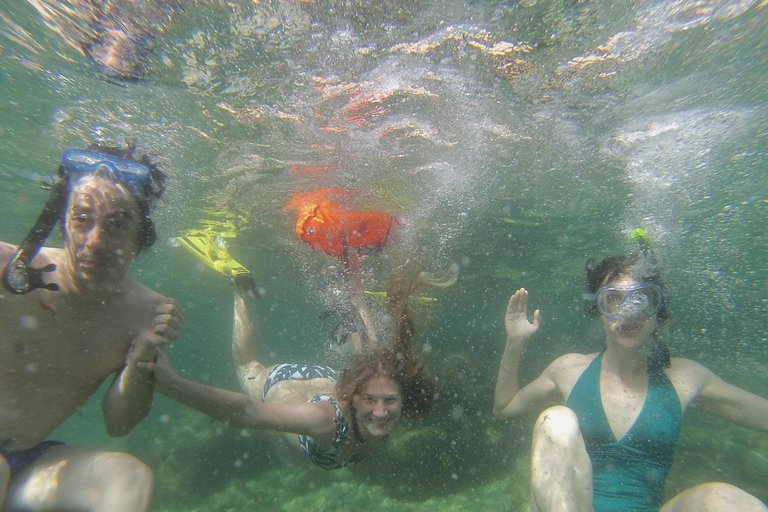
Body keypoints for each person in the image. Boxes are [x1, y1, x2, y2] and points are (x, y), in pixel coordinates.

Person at [493, 251, 768, 512]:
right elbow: (504, 408)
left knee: (724, 498)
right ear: (597, 309)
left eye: (642, 298)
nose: (629, 312)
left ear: (657, 308)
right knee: (556, 420)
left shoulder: (685, 377)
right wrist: (515, 342)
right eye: (612, 299)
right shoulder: (569, 368)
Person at [139, 251, 454, 469]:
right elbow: (247, 412)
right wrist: (173, 386)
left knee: (367, 344)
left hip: (327, 378)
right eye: (371, 401)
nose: (382, 411)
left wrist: (356, 280)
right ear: (355, 399)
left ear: (401, 397)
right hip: (281, 383)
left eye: (389, 401)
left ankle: (351, 276)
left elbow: (367, 330)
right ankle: (238, 287)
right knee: (247, 366)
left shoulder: (377, 391)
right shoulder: (326, 422)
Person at [0, 144, 184, 511]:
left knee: (128, 479)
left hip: (26, 460)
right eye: (82, 217)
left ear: (141, 235)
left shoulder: (149, 312)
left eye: (116, 224)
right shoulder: (6, 267)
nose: (95, 240)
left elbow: (120, 424)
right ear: (62, 218)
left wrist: (142, 356)